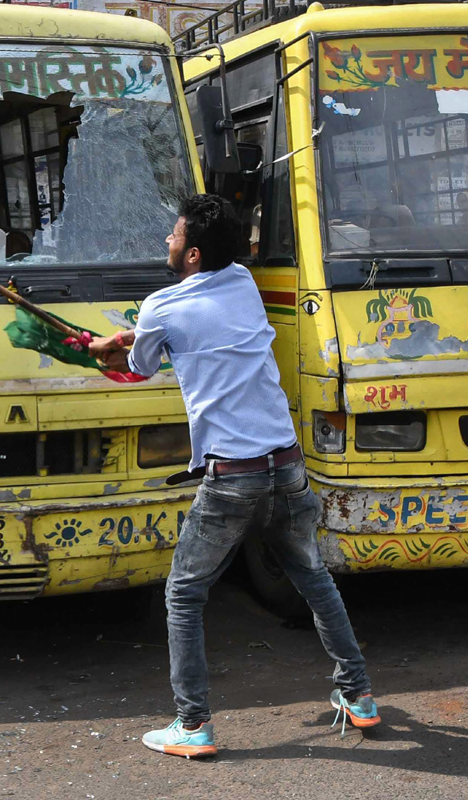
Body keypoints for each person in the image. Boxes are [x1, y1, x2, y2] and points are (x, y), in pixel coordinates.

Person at [86, 193, 377, 759]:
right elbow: (174, 340)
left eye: (173, 237)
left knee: (184, 593)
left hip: (232, 477)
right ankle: (360, 696)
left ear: (192, 254)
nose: (166, 243)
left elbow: (138, 366)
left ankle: (192, 726)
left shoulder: (160, 307)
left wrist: (104, 347)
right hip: (286, 465)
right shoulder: (242, 280)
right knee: (315, 580)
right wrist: (131, 338)